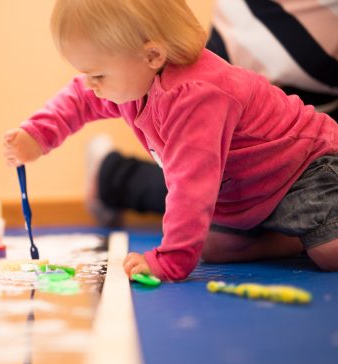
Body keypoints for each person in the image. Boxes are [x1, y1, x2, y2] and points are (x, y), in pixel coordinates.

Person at [2, 0, 338, 281]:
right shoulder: (132, 80)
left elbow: (191, 187)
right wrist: (37, 134)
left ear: (152, 56)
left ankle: (311, 236)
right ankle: (293, 238)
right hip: (250, 189)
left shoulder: (195, 98)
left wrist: (171, 260)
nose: (91, 84)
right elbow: (79, 98)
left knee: (330, 253)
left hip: (304, 165)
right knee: (213, 247)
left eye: (98, 75)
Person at [88, 0, 338, 227]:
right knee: (207, 175)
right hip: (263, 66)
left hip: (266, 76)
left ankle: (113, 176)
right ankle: (113, 177)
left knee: (207, 175)